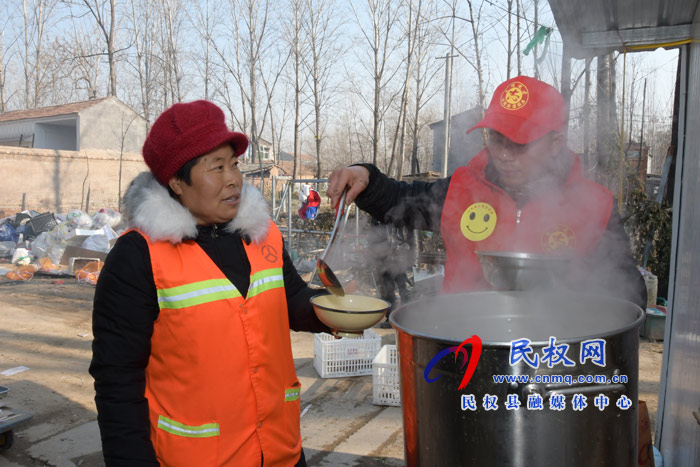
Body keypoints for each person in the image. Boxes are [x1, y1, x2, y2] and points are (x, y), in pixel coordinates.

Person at [89, 100, 329, 467]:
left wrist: (329, 311)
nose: (233, 178)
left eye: (234, 164)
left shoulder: (262, 235)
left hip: (280, 450)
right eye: (216, 167)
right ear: (176, 182)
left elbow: (289, 296)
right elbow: (117, 379)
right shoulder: (139, 257)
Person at [328, 76, 646, 308]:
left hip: (548, 364)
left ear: (554, 144)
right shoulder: (464, 187)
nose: (504, 155)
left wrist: (571, 289)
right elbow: (400, 201)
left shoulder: (594, 207)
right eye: (496, 138)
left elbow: (629, 294)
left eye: (519, 143)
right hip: (463, 353)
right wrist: (367, 176)